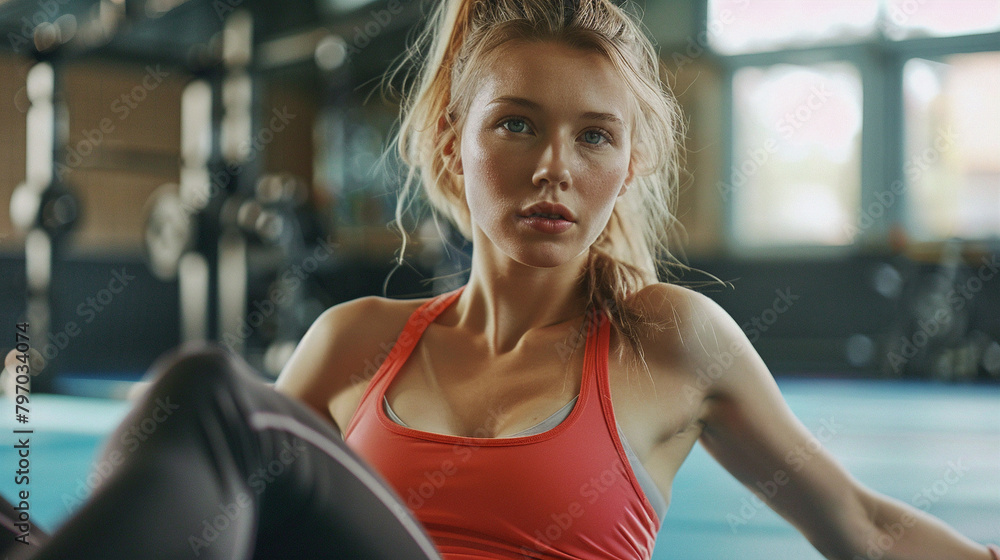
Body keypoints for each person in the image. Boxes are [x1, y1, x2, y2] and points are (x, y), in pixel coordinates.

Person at [1, 0, 997, 559]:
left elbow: (861, 525)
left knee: (210, 393)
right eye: (515, 122)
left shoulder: (666, 339)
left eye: (593, 135)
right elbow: (207, 526)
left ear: (630, 164)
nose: (553, 166)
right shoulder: (356, 339)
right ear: (456, 142)